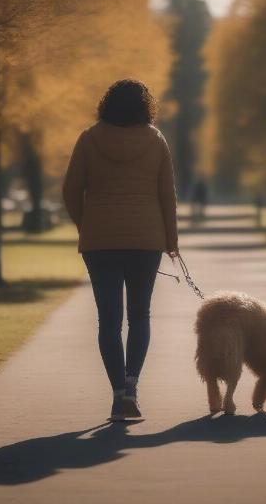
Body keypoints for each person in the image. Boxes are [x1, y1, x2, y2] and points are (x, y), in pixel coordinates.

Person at [62, 79, 178, 422]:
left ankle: (116, 396)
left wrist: (87, 224)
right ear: (146, 106)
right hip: (146, 239)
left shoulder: (89, 138)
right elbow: (166, 195)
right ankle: (132, 388)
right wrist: (170, 241)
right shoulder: (155, 140)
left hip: (101, 240)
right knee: (139, 316)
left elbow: (71, 190)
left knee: (108, 321)